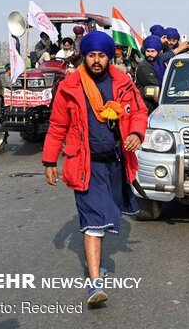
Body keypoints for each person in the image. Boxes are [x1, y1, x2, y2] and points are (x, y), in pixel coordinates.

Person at [42, 31, 147, 307]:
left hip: (115, 163)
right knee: (93, 223)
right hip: (85, 165)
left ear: (108, 56)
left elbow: (138, 112)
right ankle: (94, 283)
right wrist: (50, 161)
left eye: (101, 55)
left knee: (105, 215)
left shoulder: (123, 83)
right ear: (84, 57)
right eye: (91, 55)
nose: (97, 60)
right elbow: (57, 126)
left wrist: (136, 132)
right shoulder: (70, 87)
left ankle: (95, 267)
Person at [135, 35, 165, 114]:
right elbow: (155, 83)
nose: (150, 54)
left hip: (155, 102)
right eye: (148, 51)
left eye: (152, 51)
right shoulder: (144, 66)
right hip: (147, 104)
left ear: (157, 52)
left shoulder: (159, 63)